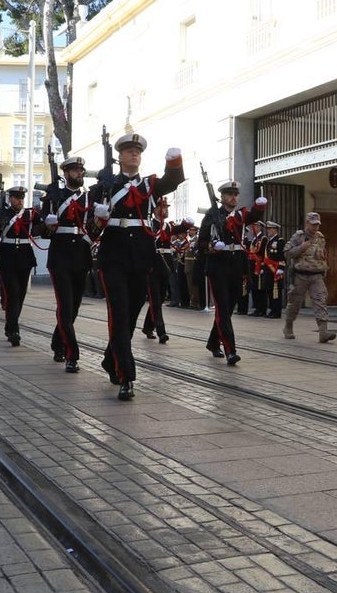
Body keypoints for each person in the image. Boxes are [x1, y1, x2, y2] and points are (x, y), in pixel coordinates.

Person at [94, 134, 185, 399]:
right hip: (114, 256)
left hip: (141, 257)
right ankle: (127, 377)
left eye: (138, 151)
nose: (134, 154)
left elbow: (172, 181)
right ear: (119, 156)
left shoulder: (149, 185)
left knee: (131, 316)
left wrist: (174, 161)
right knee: (119, 316)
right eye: (129, 151)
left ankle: (111, 359)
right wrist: (98, 219)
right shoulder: (104, 186)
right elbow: (91, 230)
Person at [197, 180, 267, 366]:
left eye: (236, 194)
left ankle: (213, 343)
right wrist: (212, 247)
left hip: (236, 265)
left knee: (228, 309)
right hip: (218, 266)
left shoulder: (241, 215)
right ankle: (231, 351)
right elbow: (201, 242)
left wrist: (260, 206)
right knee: (222, 308)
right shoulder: (212, 215)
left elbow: (254, 216)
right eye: (229, 194)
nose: (233, 198)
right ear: (222, 197)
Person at [42, 157, 96, 373]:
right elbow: (42, 230)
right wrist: (48, 224)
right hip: (60, 256)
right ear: (65, 173)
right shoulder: (53, 196)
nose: (79, 173)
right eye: (75, 170)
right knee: (65, 305)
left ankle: (58, 342)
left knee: (74, 307)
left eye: (81, 170)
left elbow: (94, 226)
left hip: (81, 255)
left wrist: (91, 235)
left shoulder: (88, 198)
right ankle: (71, 354)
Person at [0, 186, 42, 346]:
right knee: (13, 294)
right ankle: (14, 330)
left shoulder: (30, 214)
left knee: (20, 295)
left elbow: (42, 227)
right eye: (17, 198)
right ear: (10, 199)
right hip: (8, 256)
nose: (20, 201)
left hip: (25, 256)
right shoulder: (2, 214)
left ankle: (10, 325)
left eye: (21, 198)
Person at [283, 212, 337, 343]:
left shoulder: (320, 237)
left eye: (317, 224)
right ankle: (288, 326)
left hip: (316, 276)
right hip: (300, 275)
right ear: (307, 223)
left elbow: (322, 255)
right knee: (295, 303)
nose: (315, 227)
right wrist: (301, 248)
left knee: (320, 302)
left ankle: (323, 332)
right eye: (313, 224)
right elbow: (287, 253)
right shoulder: (298, 237)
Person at [141, 202, 189, 344]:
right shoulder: (149, 225)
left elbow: (178, 230)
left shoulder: (167, 226)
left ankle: (148, 327)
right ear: (155, 209)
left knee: (160, 298)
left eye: (167, 207)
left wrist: (186, 224)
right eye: (163, 207)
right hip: (153, 264)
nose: (166, 210)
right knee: (155, 298)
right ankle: (161, 331)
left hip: (165, 265)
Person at [261, 221, 286, 318]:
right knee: (269, 290)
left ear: (275, 230)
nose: (268, 231)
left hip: (275, 270)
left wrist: (281, 268)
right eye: (268, 229)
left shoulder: (280, 241)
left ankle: (277, 311)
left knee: (276, 292)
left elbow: (282, 256)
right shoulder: (269, 241)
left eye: (270, 229)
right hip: (268, 270)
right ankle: (272, 310)